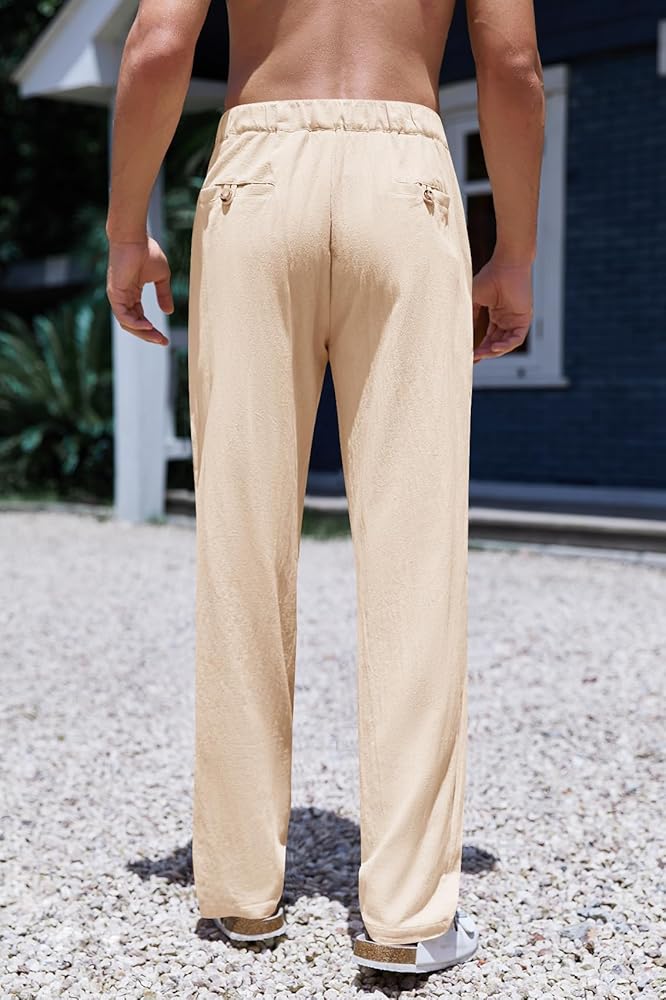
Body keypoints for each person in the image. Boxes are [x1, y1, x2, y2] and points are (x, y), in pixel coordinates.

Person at [106, 0, 544, 976]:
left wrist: (126, 231)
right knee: (416, 555)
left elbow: (158, 43)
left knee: (241, 544)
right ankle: (407, 913)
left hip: (259, 177)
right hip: (405, 180)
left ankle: (241, 893)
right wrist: (514, 253)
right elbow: (513, 63)